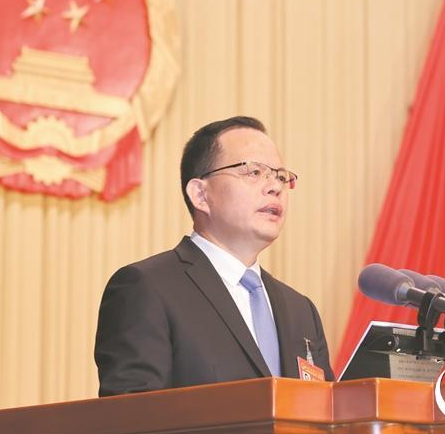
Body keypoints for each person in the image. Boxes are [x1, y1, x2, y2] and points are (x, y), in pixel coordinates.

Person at [94, 116, 334, 396]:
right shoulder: (147, 288)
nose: (275, 187)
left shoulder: (301, 311)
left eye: (281, 176)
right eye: (254, 172)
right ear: (200, 195)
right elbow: (132, 415)